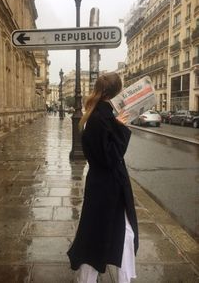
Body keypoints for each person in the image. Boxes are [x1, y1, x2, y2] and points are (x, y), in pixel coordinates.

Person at [67, 73, 139, 283]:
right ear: (117, 91)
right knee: (118, 235)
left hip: (102, 185)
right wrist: (122, 128)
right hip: (108, 187)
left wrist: (117, 125)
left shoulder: (99, 114)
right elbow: (111, 156)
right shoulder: (102, 118)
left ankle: (97, 278)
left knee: (106, 234)